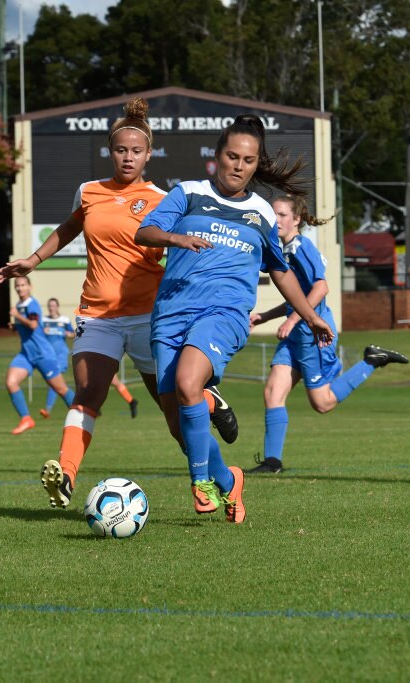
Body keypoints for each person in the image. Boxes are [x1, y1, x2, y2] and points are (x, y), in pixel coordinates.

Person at [0, 97, 238, 509]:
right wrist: (31, 261)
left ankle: (226, 480)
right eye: (121, 150)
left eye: (136, 151)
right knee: (87, 396)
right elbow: (70, 227)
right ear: (111, 151)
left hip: (150, 319)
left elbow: (193, 250)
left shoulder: (164, 199)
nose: (128, 157)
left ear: (148, 154)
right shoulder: (88, 192)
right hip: (97, 317)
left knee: (177, 422)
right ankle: (66, 476)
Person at [135, 114, 336, 524]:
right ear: (217, 156)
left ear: (255, 163)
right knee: (179, 423)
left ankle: (201, 484)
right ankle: (228, 480)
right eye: (232, 156)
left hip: (224, 314)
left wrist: (310, 315)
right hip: (171, 312)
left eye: (248, 160)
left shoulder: (262, 213)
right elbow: (146, 232)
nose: (239, 165)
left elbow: (280, 270)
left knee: (190, 384)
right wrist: (176, 238)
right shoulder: (187, 193)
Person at [248, 196, 409, 474]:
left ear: (296, 219)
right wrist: (266, 316)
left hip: (313, 334)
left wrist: (294, 319)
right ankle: (272, 462)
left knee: (322, 403)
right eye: (273, 215)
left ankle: (372, 360)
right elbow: (295, 298)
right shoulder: (283, 250)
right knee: (273, 392)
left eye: (283, 214)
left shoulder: (301, 248)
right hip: (297, 333)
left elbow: (321, 288)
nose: (277, 220)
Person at [5, 276, 75, 434]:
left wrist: (16, 316)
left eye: (23, 285)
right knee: (11, 382)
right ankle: (26, 419)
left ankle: (82, 414)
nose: (20, 288)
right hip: (26, 355)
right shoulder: (19, 305)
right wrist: (15, 327)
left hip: (43, 354)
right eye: (17, 285)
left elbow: (33, 324)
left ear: (30, 287)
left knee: (61, 389)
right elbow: (27, 327)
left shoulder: (32, 304)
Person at [39, 297, 75, 419]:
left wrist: (68, 334)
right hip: (49, 356)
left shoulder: (64, 320)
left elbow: (73, 333)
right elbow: (38, 335)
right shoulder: (44, 321)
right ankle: (78, 404)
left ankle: (47, 410)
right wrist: (43, 331)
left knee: (54, 384)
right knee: (58, 385)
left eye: (54, 306)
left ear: (57, 307)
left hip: (61, 355)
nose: (52, 308)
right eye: (50, 306)